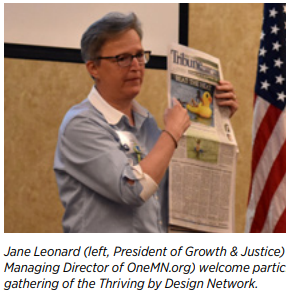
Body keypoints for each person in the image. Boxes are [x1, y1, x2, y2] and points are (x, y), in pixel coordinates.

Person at [54, 12, 238, 232]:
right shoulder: (80, 125)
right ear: (93, 68)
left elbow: (182, 185)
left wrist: (217, 122)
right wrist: (171, 133)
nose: (136, 66)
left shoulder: (146, 122)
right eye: (122, 58)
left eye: (139, 55)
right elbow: (133, 188)